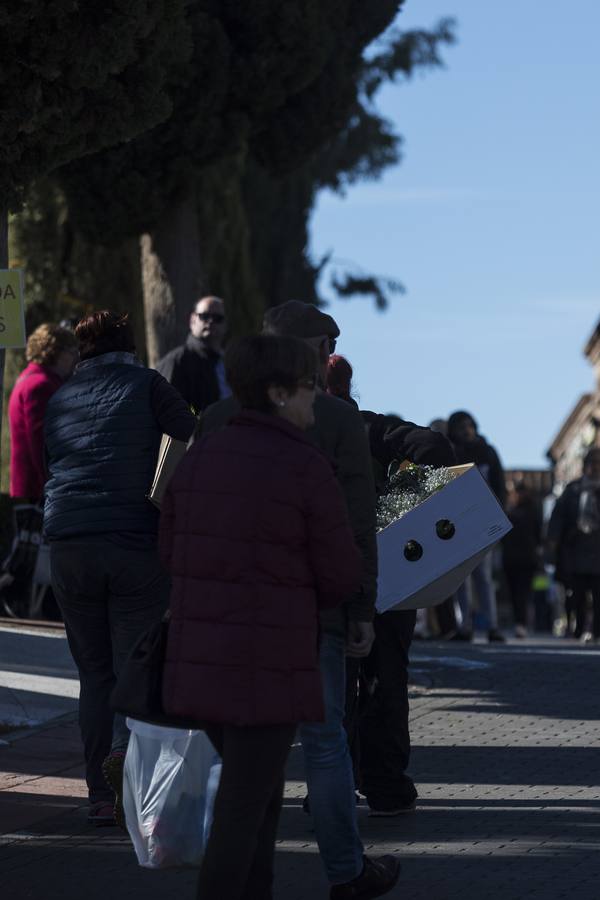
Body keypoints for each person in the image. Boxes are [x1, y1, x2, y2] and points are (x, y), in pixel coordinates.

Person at [160, 335, 374, 900]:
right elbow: (339, 572)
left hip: (203, 658)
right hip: (272, 660)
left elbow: (168, 548)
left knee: (257, 796)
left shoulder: (201, 455)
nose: (315, 400)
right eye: (308, 389)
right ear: (279, 393)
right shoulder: (305, 467)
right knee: (241, 809)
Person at [42, 311, 195, 825]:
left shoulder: (61, 394)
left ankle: (98, 797)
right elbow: (188, 434)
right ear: (129, 345)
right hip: (133, 543)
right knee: (137, 667)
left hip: (68, 544)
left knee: (94, 673)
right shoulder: (149, 384)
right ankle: (128, 776)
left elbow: (51, 461)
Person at [329, 353, 455, 820]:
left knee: (332, 682)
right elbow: (436, 447)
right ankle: (385, 784)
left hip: (323, 575)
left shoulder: (293, 430)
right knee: (386, 678)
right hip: (385, 569)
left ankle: (332, 781)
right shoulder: (368, 429)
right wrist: (401, 504)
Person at [1, 324, 78, 618]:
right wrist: (54, 482)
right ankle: (21, 606)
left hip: (31, 484)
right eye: (72, 352)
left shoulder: (32, 379)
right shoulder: (41, 385)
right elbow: (41, 441)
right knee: (29, 557)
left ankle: (25, 605)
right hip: (37, 485)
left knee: (29, 554)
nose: (75, 359)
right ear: (56, 352)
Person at [547, 447, 600, 644]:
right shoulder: (573, 490)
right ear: (585, 466)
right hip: (577, 550)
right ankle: (579, 628)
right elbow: (557, 518)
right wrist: (552, 542)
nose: (595, 467)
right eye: (592, 463)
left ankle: (599, 632)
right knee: (577, 594)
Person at [443, 411, 506, 642]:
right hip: (458, 522)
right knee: (461, 576)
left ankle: (492, 625)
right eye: (461, 426)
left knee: (483, 576)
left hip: (485, 519)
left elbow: (499, 485)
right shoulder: (451, 453)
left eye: (469, 425)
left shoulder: (487, 452)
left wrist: (500, 516)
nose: (466, 430)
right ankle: (464, 626)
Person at [155, 295, 230, 412]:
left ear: (225, 324)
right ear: (192, 320)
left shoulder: (229, 362)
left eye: (217, 318)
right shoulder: (177, 361)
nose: (210, 321)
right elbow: (166, 410)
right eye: (204, 316)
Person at [502, 479, 544, 638]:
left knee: (522, 593)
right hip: (513, 557)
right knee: (514, 594)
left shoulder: (530, 510)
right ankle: (519, 623)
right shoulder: (510, 510)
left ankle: (521, 623)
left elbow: (538, 534)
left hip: (526, 558)